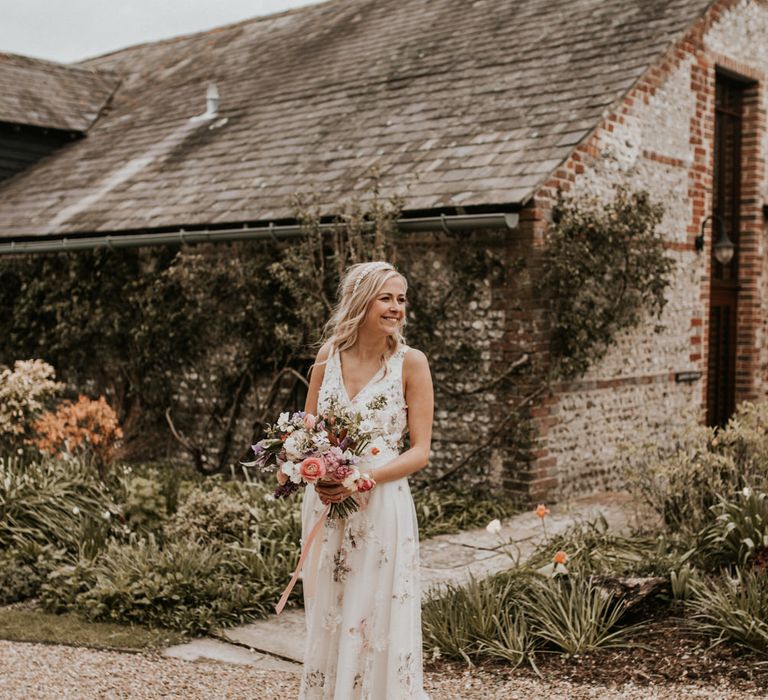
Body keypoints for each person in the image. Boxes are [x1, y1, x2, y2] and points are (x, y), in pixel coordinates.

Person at [298, 260, 434, 699]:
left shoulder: (410, 363)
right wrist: (315, 471)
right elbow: (308, 433)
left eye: (401, 299)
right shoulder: (327, 359)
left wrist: (363, 477)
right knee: (332, 610)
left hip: (382, 506)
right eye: (387, 298)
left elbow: (420, 451)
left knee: (374, 612)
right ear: (361, 302)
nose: (397, 308)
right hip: (329, 505)